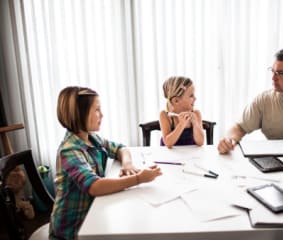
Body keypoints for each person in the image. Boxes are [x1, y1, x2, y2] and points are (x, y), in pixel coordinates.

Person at [49, 86, 162, 239]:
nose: (102, 115)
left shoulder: (92, 138)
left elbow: (121, 148)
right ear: (79, 114)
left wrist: (127, 164)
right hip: (72, 229)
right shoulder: (69, 150)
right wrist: (138, 178)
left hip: (92, 214)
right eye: (97, 110)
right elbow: (94, 186)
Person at [159, 76, 204, 148]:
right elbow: (168, 143)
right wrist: (181, 125)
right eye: (191, 96)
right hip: (169, 156)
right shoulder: (165, 115)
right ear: (176, 101)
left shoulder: (196, 114)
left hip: (190, 156)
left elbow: (200, 142)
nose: (195, 98)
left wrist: (195, 124)